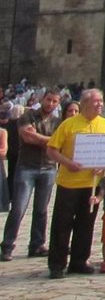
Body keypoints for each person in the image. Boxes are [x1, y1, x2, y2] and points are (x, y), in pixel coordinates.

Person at [44, 88, 105, 277]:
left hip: (91, 184)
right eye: (96, 101)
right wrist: (68, 163)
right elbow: (52, 150)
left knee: (86, 224)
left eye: (101, 101)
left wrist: (103, 166)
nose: (100, 104)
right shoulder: (69, 125)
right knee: (62, 224)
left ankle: (79, 260)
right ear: (84, 103)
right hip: (69, 183)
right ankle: (57, 264)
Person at [2, 88, 59, 261]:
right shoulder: (27, 116)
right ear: (43, 99)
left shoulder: (57, 121)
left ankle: (37, 244)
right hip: (27, 167)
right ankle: (7, 245)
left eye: (54, 101)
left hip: (48, 167)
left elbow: (60, 142)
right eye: (48, 99)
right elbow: (27, 137)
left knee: (41, 210)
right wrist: (50, 140)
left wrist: (39, 137)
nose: (50, 103)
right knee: (19, 208)